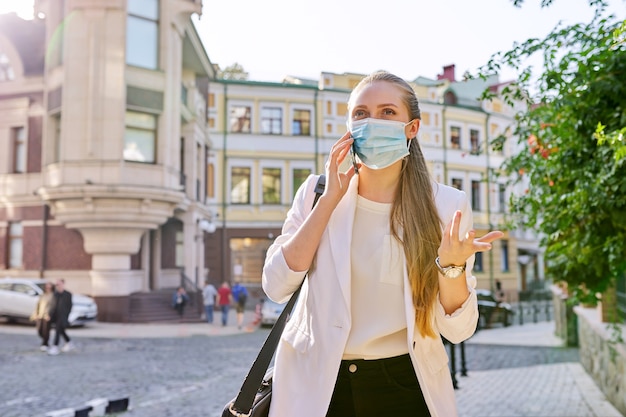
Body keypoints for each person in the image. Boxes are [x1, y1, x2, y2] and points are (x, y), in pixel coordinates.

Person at [262, 71, 504, 417]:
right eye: (361, 113)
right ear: (348, 124)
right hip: (317, 384)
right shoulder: (316, 193)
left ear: (412, 128)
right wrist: (329, 200)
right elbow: (275, 285)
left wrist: (452, 268)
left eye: (388, 112)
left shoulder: (446, 207)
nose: (372, 122)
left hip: (404, 383)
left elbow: (458, 329)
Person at [47, 279, 73, 355]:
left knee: (58, 330)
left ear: (63, 284)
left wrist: (67, 315)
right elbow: (52, 305)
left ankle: (55, 347)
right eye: (57, 284)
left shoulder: (68, 294)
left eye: (59, 284)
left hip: (63, 316)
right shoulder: (55, 294)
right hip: (56, 316)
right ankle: (69, 342)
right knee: (61, 330)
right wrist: (50, 314)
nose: (58, 286)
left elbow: (69, 306)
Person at [31, 281, 54, 351]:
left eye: (49, 287)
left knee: (46, 330)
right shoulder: (43, 295)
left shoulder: (53, 295)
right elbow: (38, 305)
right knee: (39, 330)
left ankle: (45, 344)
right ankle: (45, 341)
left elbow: (53, 306)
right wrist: (36, 314)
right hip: (40, 315)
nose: (48, 289)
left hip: (47, 316)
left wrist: (50, 315)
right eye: (47, 287)